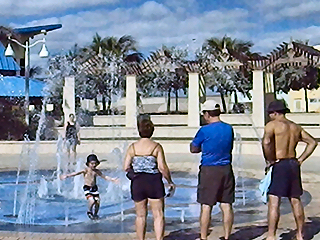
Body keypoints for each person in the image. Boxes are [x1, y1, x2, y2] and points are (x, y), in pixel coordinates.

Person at [262, 100, 317, 240]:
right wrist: (301, 159)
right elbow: (312, 142)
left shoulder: (272, 125)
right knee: (296, 200)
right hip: (293, 164)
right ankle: (300, 235)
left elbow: (266, 142)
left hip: (279, 163)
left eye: (270, 113)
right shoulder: (295, 127)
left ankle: (270, 235)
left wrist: (270, 160)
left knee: (274, 201)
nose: (269, 116)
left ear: (274, 113)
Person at [123, 116, 175, 240]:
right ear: (152, 131)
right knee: (158, 215)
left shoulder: (133, 147)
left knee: (140, 215)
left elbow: (125, 167)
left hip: (138, 182)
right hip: (153, 181)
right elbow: (162, 167)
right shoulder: (156, 147)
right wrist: (170, 181)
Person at [190, 100, 235, 240]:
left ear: (207, 114)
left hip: (209, 170)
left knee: (206, 205)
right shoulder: (229, 129)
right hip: (226, 168)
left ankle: (204, 237)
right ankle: (227, 236)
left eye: (204, 113)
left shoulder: (204, 130)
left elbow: (193, 148)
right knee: (226, 204)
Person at [60, 154, 119, 220]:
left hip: (94, 188)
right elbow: (76, 173)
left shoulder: (96, 171)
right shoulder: (86, 170)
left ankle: (95, 214)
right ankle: (89, 211)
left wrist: (113, 179)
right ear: (88, 164)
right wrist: (67, 175)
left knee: (97, 201)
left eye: (95, 163)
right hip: (87, 188)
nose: (93, 165)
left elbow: (104, 176)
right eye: (92, 163)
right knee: (92, 200)